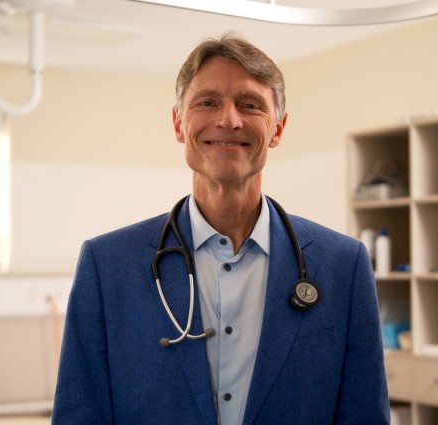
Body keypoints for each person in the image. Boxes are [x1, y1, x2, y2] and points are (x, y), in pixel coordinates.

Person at [52, 33, 390, 425]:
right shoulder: (108, 266)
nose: (229, 120)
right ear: (179, 124)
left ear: (278, 129)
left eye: (250, 104)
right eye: (208, 102)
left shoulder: (343, 266)